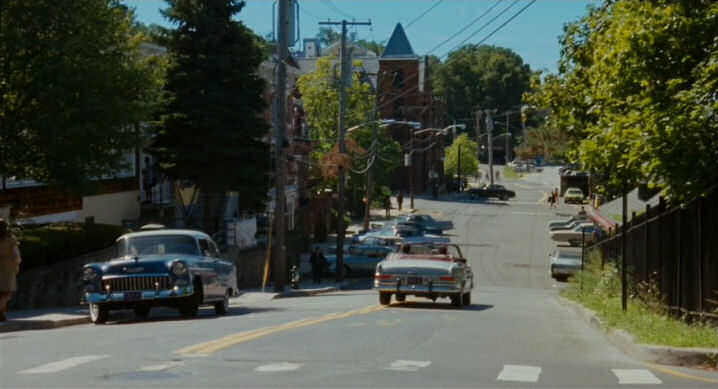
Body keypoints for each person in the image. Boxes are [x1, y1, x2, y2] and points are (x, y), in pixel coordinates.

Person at [0, 219, 21, 321]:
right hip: (7, 266)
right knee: (8, 292)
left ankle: (2, 315)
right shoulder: (9, 239)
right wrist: (17, 263)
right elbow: (16, 254)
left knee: (1, 292)